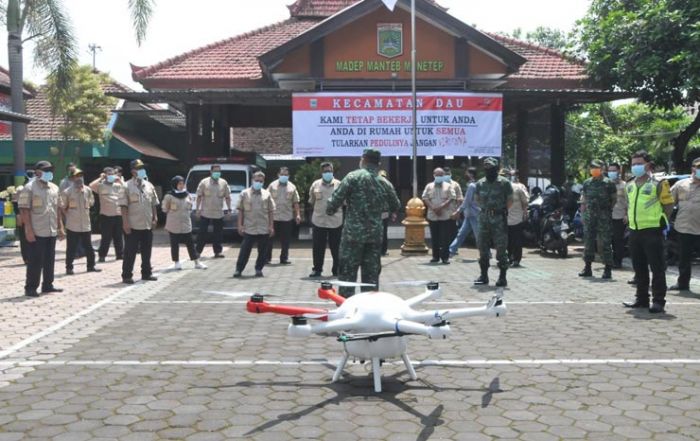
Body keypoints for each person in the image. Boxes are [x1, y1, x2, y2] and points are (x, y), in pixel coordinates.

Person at [326, 149, 401, 297]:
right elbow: (396, 205)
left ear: (363, 160)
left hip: (352, 236)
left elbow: (333, 203)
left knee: (347, 274)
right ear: (378, 163)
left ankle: (346, 308)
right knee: (371, 277)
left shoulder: (352, 177)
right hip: (374, 236)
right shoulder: (384, 182)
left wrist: (331, 209)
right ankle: (370, 309)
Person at [623, 151, 674, 313]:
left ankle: (658, 301)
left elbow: (668, 205)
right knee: (639, 268)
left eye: (639, 163)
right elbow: (629, 204)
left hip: (653, 232)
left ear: (648, 165)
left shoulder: (659, 183)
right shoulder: (629, 184)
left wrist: (661, 221)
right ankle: (642, 299)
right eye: (633, 164)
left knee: (657, 268)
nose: (636, 166)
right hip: (634, 231)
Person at [17, 161, 64, 297]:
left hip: (51, 229)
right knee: (35, 261)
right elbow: (24, 210)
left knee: (50, 259)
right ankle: (31, 287)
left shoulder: (54, 188)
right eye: (45, 170)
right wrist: (28, 230)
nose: (49, 173)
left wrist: (60, 227)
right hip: (37, 230)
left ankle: (48, 285)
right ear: (37, 171)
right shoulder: (29, 188)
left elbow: (57, 209)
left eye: (50, 170)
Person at [474, 157, 513, 287]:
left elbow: (510, 201)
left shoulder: (504, 183)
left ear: (496, 169)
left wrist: (499, 211)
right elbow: (477, 199)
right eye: (486, 168)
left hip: (499, 219)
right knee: (482, 247)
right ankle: (483, 275)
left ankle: (502, 277)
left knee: (501, 248)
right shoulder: (480, 183)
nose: (488, 170)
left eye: (490, 168)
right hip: (483, 218)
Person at [120, 159, 160, 284]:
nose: (142, 170)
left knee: (147, 251)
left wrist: (155, 217)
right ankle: (127, 275)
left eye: (143, 168)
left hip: (147, 224)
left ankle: (146, 273)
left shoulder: (149, 185)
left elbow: (153, 203)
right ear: (133, 171)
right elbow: (123, 206)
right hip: (133, 224)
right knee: (130, 251)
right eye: (139, 168)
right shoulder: (126, 186)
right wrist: (125, 223)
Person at [579, 159, 617, 279]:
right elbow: (584, 200)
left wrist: (605, 210)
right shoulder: (587, 183)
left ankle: (607, 269)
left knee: (605, 242)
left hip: (603, 216)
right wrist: (583, 214)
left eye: (596, 168)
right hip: (590, 216)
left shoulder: (608, 183)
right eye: (592, 168)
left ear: (602, 169)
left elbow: (614, 199)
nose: (594, 170)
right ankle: (588, 267)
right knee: (588, 241)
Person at [234, 172, 275, 278]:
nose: (258, 183)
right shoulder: (244, 193)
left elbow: (271, 211)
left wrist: (271, 226)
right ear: (252, 180)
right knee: (244, 251)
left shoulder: (267, 194)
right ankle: (239, 269)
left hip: (263, 228)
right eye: (257, 180)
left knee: (263, 251)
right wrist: (240, 225)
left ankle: (258, 269)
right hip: (249, 228)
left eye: (261, 181)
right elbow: (241, 211)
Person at [60, 168, 100, 275]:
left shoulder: (87, 190)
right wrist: (67, 216)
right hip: (73, 224)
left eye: (81, 175)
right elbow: (62, 206)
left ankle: (91, 266)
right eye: (77, 176)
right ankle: (69, 267)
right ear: (72, 178)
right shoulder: (67, 192)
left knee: (89, 246)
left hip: (85, 224)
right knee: (71, 247)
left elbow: (91, 203)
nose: (79, 178)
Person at [162, 176, 207, 271]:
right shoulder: (169, 196)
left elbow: (190, 207)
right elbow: (164, 209)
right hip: (173, 224)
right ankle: (176, 262)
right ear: (175, 185)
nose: (182, 186)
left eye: (183, 184)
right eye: (179, 184)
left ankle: (196, 262)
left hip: (186, 223)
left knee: (190, 243)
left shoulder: (187, 195)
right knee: (174, 244)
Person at [669, 157, 700, 291]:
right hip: (683, 227)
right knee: (683, 258)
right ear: (692, 168)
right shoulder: (681, 184)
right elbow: (669, 202)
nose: (698, 170)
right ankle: (682, 283)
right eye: (697, 167)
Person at [308, 162, 343, 277]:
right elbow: (312, 201)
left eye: (329, 171)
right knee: (318, 247)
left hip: (336, 221)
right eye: (325, 171)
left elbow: (345, 202)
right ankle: (317, 269)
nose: (327, 173)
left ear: (333, 171)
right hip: (319, 220)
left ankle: (337, 269)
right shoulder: (315, 185)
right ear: (321, 172)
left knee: (336, 247)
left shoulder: (339, 185)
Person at [266, 167, 301, 265]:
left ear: (288, 176)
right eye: (282, 174)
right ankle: (266, 258)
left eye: (286, 175)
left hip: (287, 217)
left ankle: (284, 258)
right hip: (273, 217)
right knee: (269, 239)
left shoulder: (292, 187)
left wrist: (297, 215)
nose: (284, 176)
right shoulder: (272, 186)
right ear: (278, 175)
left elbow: (296, 202)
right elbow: (265, 199)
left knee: (285, 240)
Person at [195, 164, 231, 259]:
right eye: (215, 171)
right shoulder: (204, 182)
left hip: (218, 213)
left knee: (218, 234)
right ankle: (197, 251)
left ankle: (217, 252)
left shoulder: (223, 183)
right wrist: (197, 209)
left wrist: (229, 209)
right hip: (205, 212)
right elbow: (199, 196)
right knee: (202, 233)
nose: (217, 173)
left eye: (218, 171)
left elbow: (227, 197)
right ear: (211, 172)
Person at [422, 167, 457, 264]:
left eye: (441, 175)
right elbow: (425, 198)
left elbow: (452, 197)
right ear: (434, 175)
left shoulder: (448, 186)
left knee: (445, 237)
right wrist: (433, 208)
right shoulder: (429, 186)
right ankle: (435, 257)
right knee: (435, 237)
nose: (439, 177)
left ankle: (445, 257)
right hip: (433, 215)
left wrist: (441, 207)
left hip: (445, 215)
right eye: (437, 175)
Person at [89, 167, 124, 262]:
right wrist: (101, 178)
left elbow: (127, 189)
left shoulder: (117, 185)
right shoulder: (100, 186)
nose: (111, 176)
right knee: (106, 237)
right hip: (106, 216)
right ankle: (102, 255)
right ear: (105, 175)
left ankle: (120, 255)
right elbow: (91, 186)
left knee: (118, 236)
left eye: (112, 174)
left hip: (118, 214)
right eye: (108, 174)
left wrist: (119, 180)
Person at [449, 167, 480, 257]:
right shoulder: (473, 184)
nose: (465, 175)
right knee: (461, 233)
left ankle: (486, 252)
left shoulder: (472, 186)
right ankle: (452, 250)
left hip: (473, 214)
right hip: (469, 214)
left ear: (471, 174)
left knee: (478, 235)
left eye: (467, 173)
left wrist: (458, 211)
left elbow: (467, 201)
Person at [506, 169, 529, 268]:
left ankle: (516, 259)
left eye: (513, 175)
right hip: (506, 217)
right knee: (508, 239)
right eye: (510, 175)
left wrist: (525, 212)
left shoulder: (520, 187)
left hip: (517, 217)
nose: (512, 177)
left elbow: (525, 201)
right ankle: (509, 257)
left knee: (517, 240)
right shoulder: (505, 186)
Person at [608, 163, 628, 268]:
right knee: (607, 240)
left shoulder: (625, 185)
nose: (611, 173)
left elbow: (629, 201)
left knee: (617, 240)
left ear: (618, 171)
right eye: (609, 170)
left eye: (613, 170)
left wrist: (627, 214)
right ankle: (608, 260)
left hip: (619, 216)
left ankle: (618, 261)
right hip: (606, 217)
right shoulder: (605, 184)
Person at [13, 170, 34, 264]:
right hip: (22, 216)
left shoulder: (35, 188)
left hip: (33, 216)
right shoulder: (20, 189)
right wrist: (18, 216)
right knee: (23, 237)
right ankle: (26, 257)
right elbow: (15, 203)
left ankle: (33, 256)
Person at [378, 170, 397, 256]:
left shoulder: (373, 182)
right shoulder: (388, 184)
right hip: (385, 212)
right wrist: (393, 212)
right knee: (384, 231)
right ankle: (383, 250)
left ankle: (376, 250)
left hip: (374, 212)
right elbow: (393, 199)